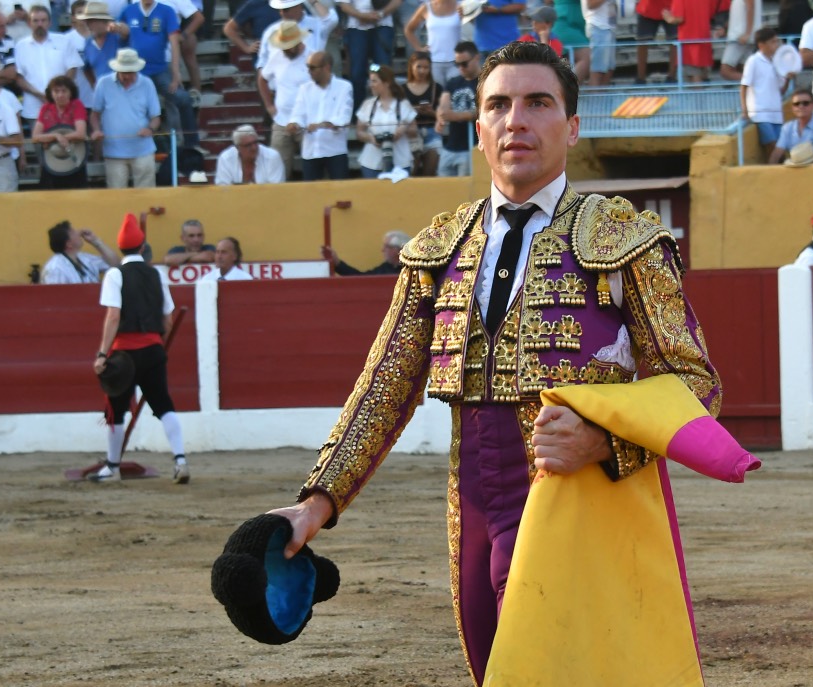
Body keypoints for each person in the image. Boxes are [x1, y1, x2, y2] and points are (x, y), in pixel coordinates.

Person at [264, 42, 721, 686]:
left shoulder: (625, 240)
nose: (516, 121)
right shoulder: (439, 246)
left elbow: (697, 386)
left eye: (538, 103)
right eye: (499, 105)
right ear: (478, 128)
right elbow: (385, 384)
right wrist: (316, 503)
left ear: (572, 126)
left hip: (582, 496)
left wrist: (606, 440)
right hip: (472, 500)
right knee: (491, 662)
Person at [92, 214, 190, 485]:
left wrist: (102, 354)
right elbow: (167, 320)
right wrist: (157, 344)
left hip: (124, 355)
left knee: (116, 410)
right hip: (153, 350)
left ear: (120, 247)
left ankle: (113, 467)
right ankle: (180, 460)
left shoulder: (115, 274)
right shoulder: (156, 274)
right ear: (142, 247)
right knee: (164, 405)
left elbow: (113, 316)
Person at [112, 0, 202, 150]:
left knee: (183, 99)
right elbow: (120, 36)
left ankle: (192, 145)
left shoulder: (166, 11)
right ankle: (127, 145)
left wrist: (176, 73)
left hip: (159, 69)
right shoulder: (128, 11)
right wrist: (119, 31)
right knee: (128, 105)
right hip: (134, 72)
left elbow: (174, 42)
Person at [90, 48, 161, 188]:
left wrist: (150, 129)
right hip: (114, 152)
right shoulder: (103, 83)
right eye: (124, 72)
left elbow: (156, 117)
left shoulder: (147, 83)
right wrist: (96, 130)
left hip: (143, 150)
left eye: (130, 72)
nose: (127, 76)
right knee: (117, 196)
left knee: (146, 194)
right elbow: (94, 114)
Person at [287, 51, 353, 181]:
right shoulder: (304, 89)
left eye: (312, 68)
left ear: (326, 67)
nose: (309, 71)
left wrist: (321, 125)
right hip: (311, 151)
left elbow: (344, 118)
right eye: (308, 67)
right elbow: (298, 114)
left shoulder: (344, 87)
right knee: (310, 192)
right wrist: (294, 124)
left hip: (335, 151)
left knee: (340, 191)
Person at [15, 4, 82, 130]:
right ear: (29, 23)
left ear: (50, 22)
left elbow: (72, 68)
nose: (39, 24)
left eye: (43, 20)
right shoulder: (20, 46)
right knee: (39, 142)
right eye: (35, 21)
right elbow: (19, 77)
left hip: (63, 107)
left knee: (65, 141)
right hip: (34, 108)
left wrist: (59, 93)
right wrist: (40, 95)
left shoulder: (63, 41)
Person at [258, 20, 312, 176]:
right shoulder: (277, 56)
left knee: (313, 168)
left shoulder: (312, 57)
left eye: (288, 47)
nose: (285, 50)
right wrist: (269, 106)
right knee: (277, 171)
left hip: (308, 122)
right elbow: (262, 78)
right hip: (282, 120)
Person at [354, 64, 418, 179]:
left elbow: (414, 131)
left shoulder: (403, 104)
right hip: (372, 162)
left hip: (400, 161)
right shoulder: (368, 105)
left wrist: (403, 129)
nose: (371, 85)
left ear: (386, 83)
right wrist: (371, 138)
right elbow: (359, 132)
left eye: (374, 81)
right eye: (370, 81)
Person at [337, 0, 402, 111]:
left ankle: (385, 111)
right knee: (357, 73)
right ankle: (358, 112)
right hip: (357, 27)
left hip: (383, 24)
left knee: (382, 71)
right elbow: (344, 4)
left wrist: (381, 14)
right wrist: (361, 15)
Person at [740, 27, 793, 159]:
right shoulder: (753, 61)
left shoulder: (777, 62)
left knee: (779, 149)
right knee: (773, 147)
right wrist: (745, 111)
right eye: (772, 42)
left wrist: (788, 78)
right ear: (761, 45)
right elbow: (744, 86)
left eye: (776, 41)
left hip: (776, 113)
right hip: (761, 113)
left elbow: (781, 90)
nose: (776, 45)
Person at [31, 75, 89, 189]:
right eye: (56, 91)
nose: (60, 95)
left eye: (64, 91)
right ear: (51, 93)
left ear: (71, 92)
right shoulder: (45, 108)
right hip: (51, 160)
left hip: (74, 158)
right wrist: (56, 136)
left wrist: (61, 138)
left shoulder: (77, 105)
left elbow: (81, 133)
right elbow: (35, 137)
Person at [435, 41, 480, 177]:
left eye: (464, 64)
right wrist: (441, 117)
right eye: (457, 64)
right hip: (450, 146)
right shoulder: (453, 81)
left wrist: (454, 116)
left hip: (472, 147)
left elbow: (483, 111)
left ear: (476, 58)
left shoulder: (486, 81)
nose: (461, 68)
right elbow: (443, 104)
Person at [257, 0, 339, 73]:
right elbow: (262, 63)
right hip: (281, 82)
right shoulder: (271, 31)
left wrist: (313, 1)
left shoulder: (316, 25)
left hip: (311, 80)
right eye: (279, 10)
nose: (282, 13)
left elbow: (331, 20)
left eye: (286, 9)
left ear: (298, 6)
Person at [401, 51, 443, 177]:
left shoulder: (436, 88)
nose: (422, 71)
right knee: (410, 173)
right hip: (410, 133)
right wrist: (412, 111)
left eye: (426, 67)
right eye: (418, 67)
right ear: (411, 67)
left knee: (430, 172)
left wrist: (431, 112)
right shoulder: (402, 89)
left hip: (432, 131)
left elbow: (443, 115)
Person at [403, 0, 462, 87]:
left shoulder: (460, 6)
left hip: (456, 61)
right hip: (433, 61)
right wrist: (419, 49)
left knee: (456, 92)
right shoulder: (426, 7)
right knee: (437, 93)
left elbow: (472, 22)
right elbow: (409, 30)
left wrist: (464, 15)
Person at [41, 220, 119, 284]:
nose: (79, 233)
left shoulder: (84, 258)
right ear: (69, 244)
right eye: (73, 232)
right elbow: (56, 295)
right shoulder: (56, 268)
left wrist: (96, 241)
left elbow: (116, 264)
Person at [769, 88, 813, 163]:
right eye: (796, 104)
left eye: (805, 103)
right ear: (793, 108)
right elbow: (777, 153)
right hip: (795, 167)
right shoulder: (787, 127)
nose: (801, 106)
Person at [214, 123, 286, 184]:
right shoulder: (225, 159)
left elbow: (277, 190)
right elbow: (222, 189)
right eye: (248, 145)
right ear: (237, 148)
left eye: (255, 143)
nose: (254, 148)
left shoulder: (272, 157)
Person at [662, 0, 715, 83]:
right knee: (703, 75)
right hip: (704, 40)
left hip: (689, 42)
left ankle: (698, 91)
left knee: (693, 77)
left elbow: (679, 18)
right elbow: (712, 13)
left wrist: (668, 18)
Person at [320, 230, 411, 275]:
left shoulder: (413, 269)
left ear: (397, 250)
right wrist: (337, 263)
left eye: (386, 247)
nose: (382, 250)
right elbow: (361, 278)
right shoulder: (386, 267)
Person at [79, 1, 124, 88]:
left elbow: (126, 32)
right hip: (103, 90)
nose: (87, 25)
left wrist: (118, 27)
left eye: (91, 21)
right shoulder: (88, 43)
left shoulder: (118, 37)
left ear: (103, 21)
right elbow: (86, 68)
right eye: (86, 21)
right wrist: (95, 86)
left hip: (122, 88)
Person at [633, 0, 677, 84]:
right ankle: (640, 78)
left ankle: (672, 76)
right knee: (642, 41)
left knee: (675, 42)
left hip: (672, 7)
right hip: (648, 8)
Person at [719, 0, 763, 81]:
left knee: (725, 71)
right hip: (742, 36)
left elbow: (750, 7)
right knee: (744, 69)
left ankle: (759, 81)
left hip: (740, 37)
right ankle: (756, 82)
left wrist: (747, 33)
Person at [552, 0, 590, 81]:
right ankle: (568, 87)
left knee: (568, 63)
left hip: (571, 21)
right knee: (586, 56)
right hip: (564, 21)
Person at [581, 0, 615, 85]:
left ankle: (602, 94)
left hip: (609, 27)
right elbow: (590, 5)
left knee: (609, 70)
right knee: (597, 71)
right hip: (597, 27)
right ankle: (594, 93)